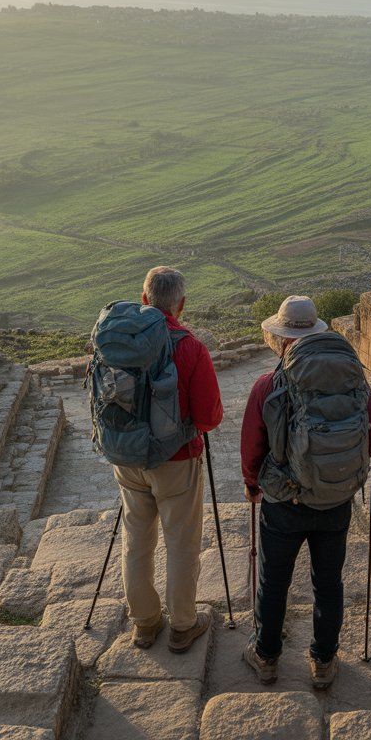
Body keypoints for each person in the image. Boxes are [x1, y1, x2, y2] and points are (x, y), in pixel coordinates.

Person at [240, 295, 371, 690]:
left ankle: (266, 657)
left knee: (274, 581)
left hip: (284, 502)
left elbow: (252, 447)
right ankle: (323, 661)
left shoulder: (268, 385)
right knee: (329, 582)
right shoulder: (352, 379)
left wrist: (253, 486)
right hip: (335, 502)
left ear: (281, 339)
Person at [112, 266, 223, 653]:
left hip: (127, 457)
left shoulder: (120, 340)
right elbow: (209, 417)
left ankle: (144, 623)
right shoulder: (190, 347)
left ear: (144, 299)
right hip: (176, 460)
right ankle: (182, 626)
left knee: (136, 541)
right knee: (181, 542)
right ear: (181, 304)